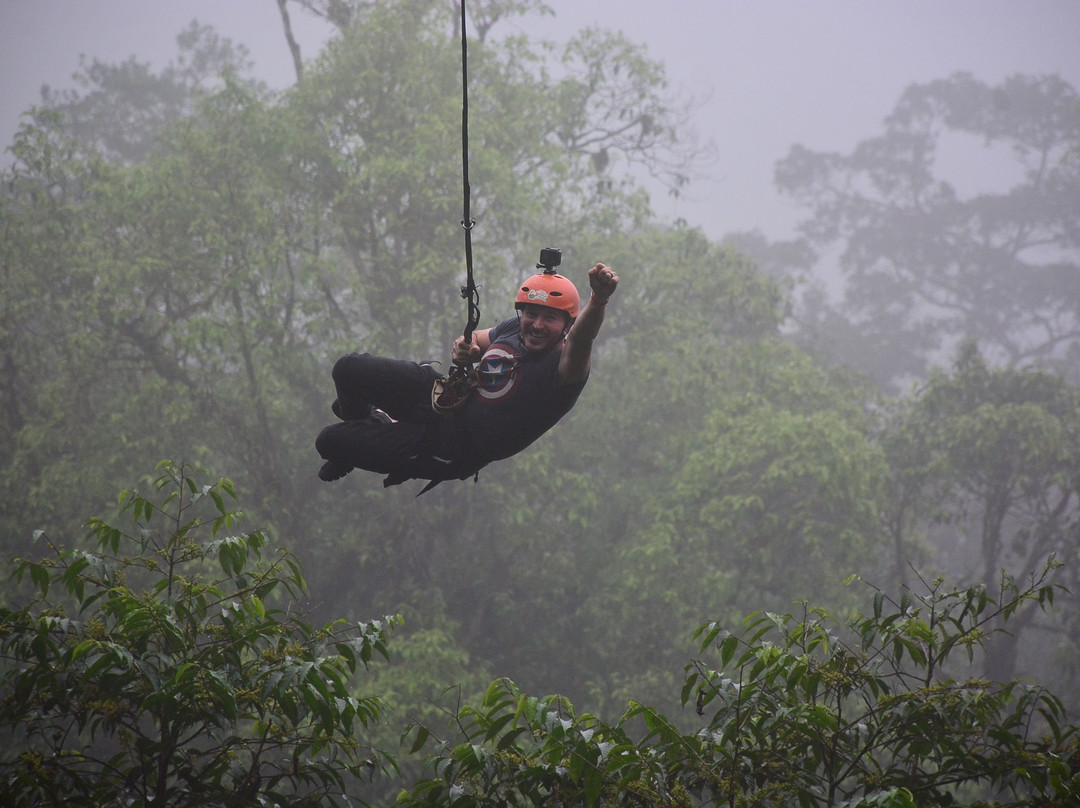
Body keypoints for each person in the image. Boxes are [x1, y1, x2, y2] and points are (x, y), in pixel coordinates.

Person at [315, 258, 619, 491]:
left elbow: (582, 338)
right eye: (531, 314)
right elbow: (474, 341)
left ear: (567, 325)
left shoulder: (565, 371)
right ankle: (372, 421)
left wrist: (599, 299)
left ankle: (361, 432)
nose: (537, 324)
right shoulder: (514, 328)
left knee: (328, 441)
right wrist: (465, 349)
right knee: (348, 369)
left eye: (550, 318)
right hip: (444, 396)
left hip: (448, 448)